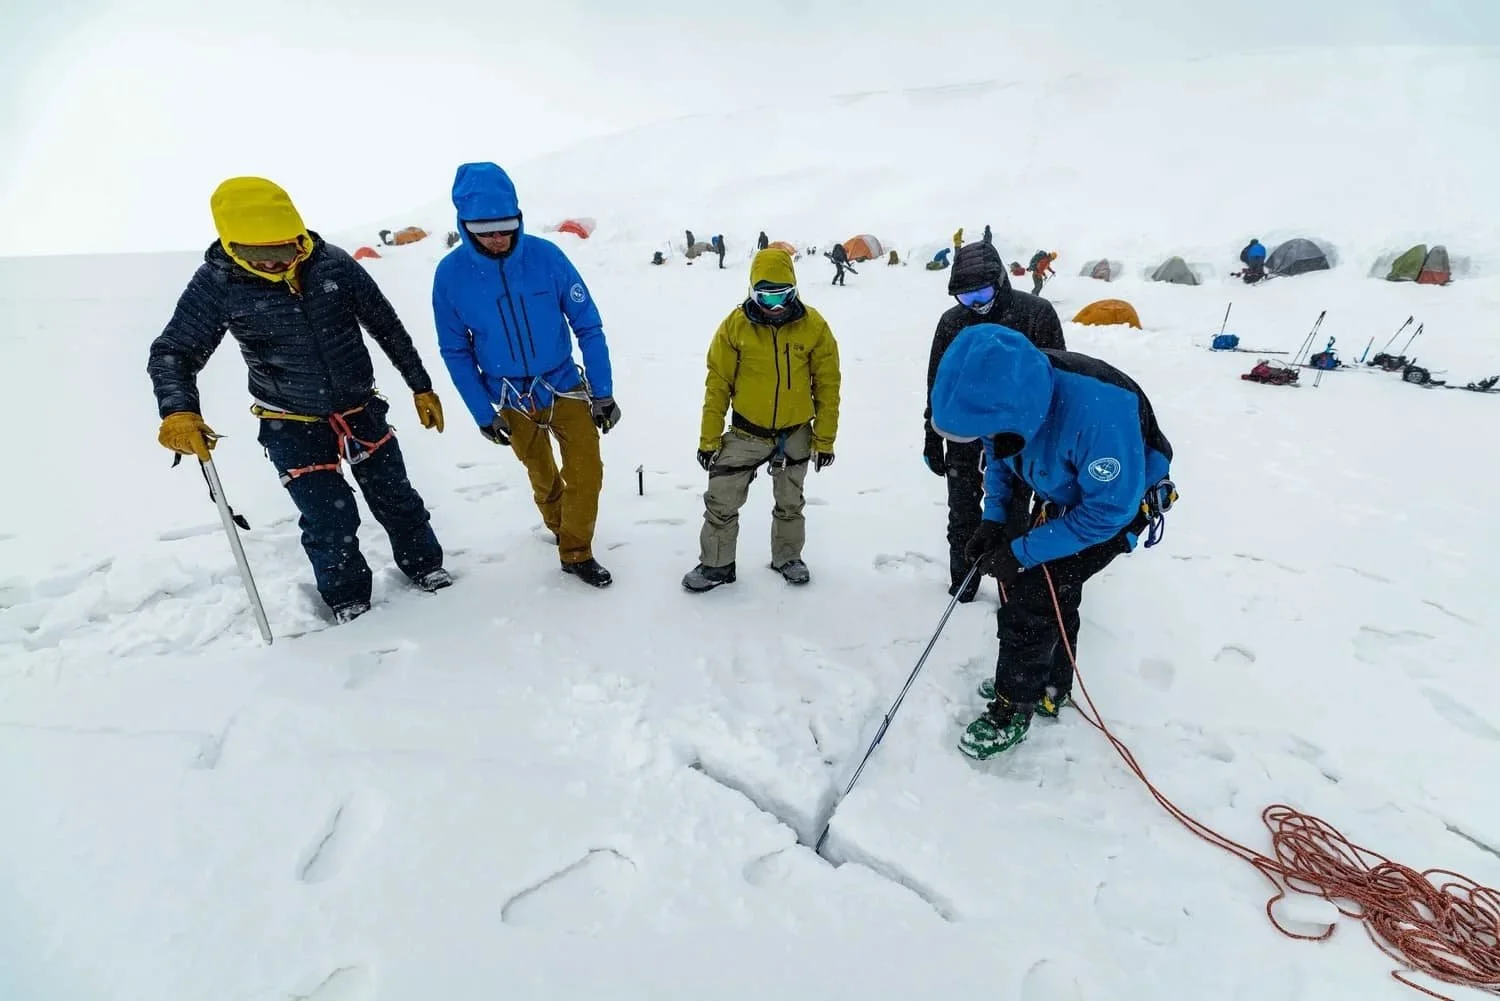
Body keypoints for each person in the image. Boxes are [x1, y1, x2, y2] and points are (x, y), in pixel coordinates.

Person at [147, 177, 451, 624]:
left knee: (397, 498)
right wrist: (178, 410)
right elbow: (174, 351)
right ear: (233, 247)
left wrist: (419, 384)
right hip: (289, 421)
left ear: (299, 236)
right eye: (255, 253)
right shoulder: (218, 284)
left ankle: (424, 565)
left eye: (284, 248)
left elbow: (385, 324)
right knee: (329, 520)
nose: (272, 261)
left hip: (359, 409)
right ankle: (347, 596)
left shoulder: (333, 265)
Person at [930, 323, 1175, 759]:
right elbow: (1003, 455)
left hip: (1116, 506)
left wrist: (1022, 552)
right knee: (1053, 590)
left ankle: (1014, 703)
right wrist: (994, 519)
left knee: (1033, 591)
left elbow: (1106, 514)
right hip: (1065, 491)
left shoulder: (1099, 417)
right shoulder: (1003, 395)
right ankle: (1049, 682)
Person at [432, 161, 620, 589]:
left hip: (565, 386)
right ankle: (559, 527)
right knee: (541, 474)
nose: (498, 239)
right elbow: (455, 350)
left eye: (506, 228)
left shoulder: (547, 258)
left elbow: (587, 325)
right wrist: (483, 412)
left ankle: (576, 551)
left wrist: (603, 392)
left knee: (587, 471)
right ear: (465, 226)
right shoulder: (450, 275)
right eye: (486, 231)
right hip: (510, 398)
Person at [683, 248, 840, 592]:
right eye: (766, 295)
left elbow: (828, 385)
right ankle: (717, 565)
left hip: (796, 432)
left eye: (783, 294)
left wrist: (824, 440)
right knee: (721, 500)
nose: (776, 304)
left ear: (794, 290)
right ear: (754, 291)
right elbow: (718, 384)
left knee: (790, 503)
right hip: (746, 432)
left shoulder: (814, 327)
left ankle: (788, 557)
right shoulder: (734, 326)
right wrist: (709, 439)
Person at [924, 241, 1064, 603]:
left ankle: (1012, 587)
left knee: (1013, 514)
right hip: (963, 431)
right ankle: (964, 583)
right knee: (963, 511)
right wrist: (931, 433)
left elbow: (1057, 378)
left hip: (1019, 437)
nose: (975, 305)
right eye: (964, 297)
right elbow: (937, 384)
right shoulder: (952, 322)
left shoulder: (1037, 314)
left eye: (982, 292)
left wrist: (1049, 443)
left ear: (1001, 279)